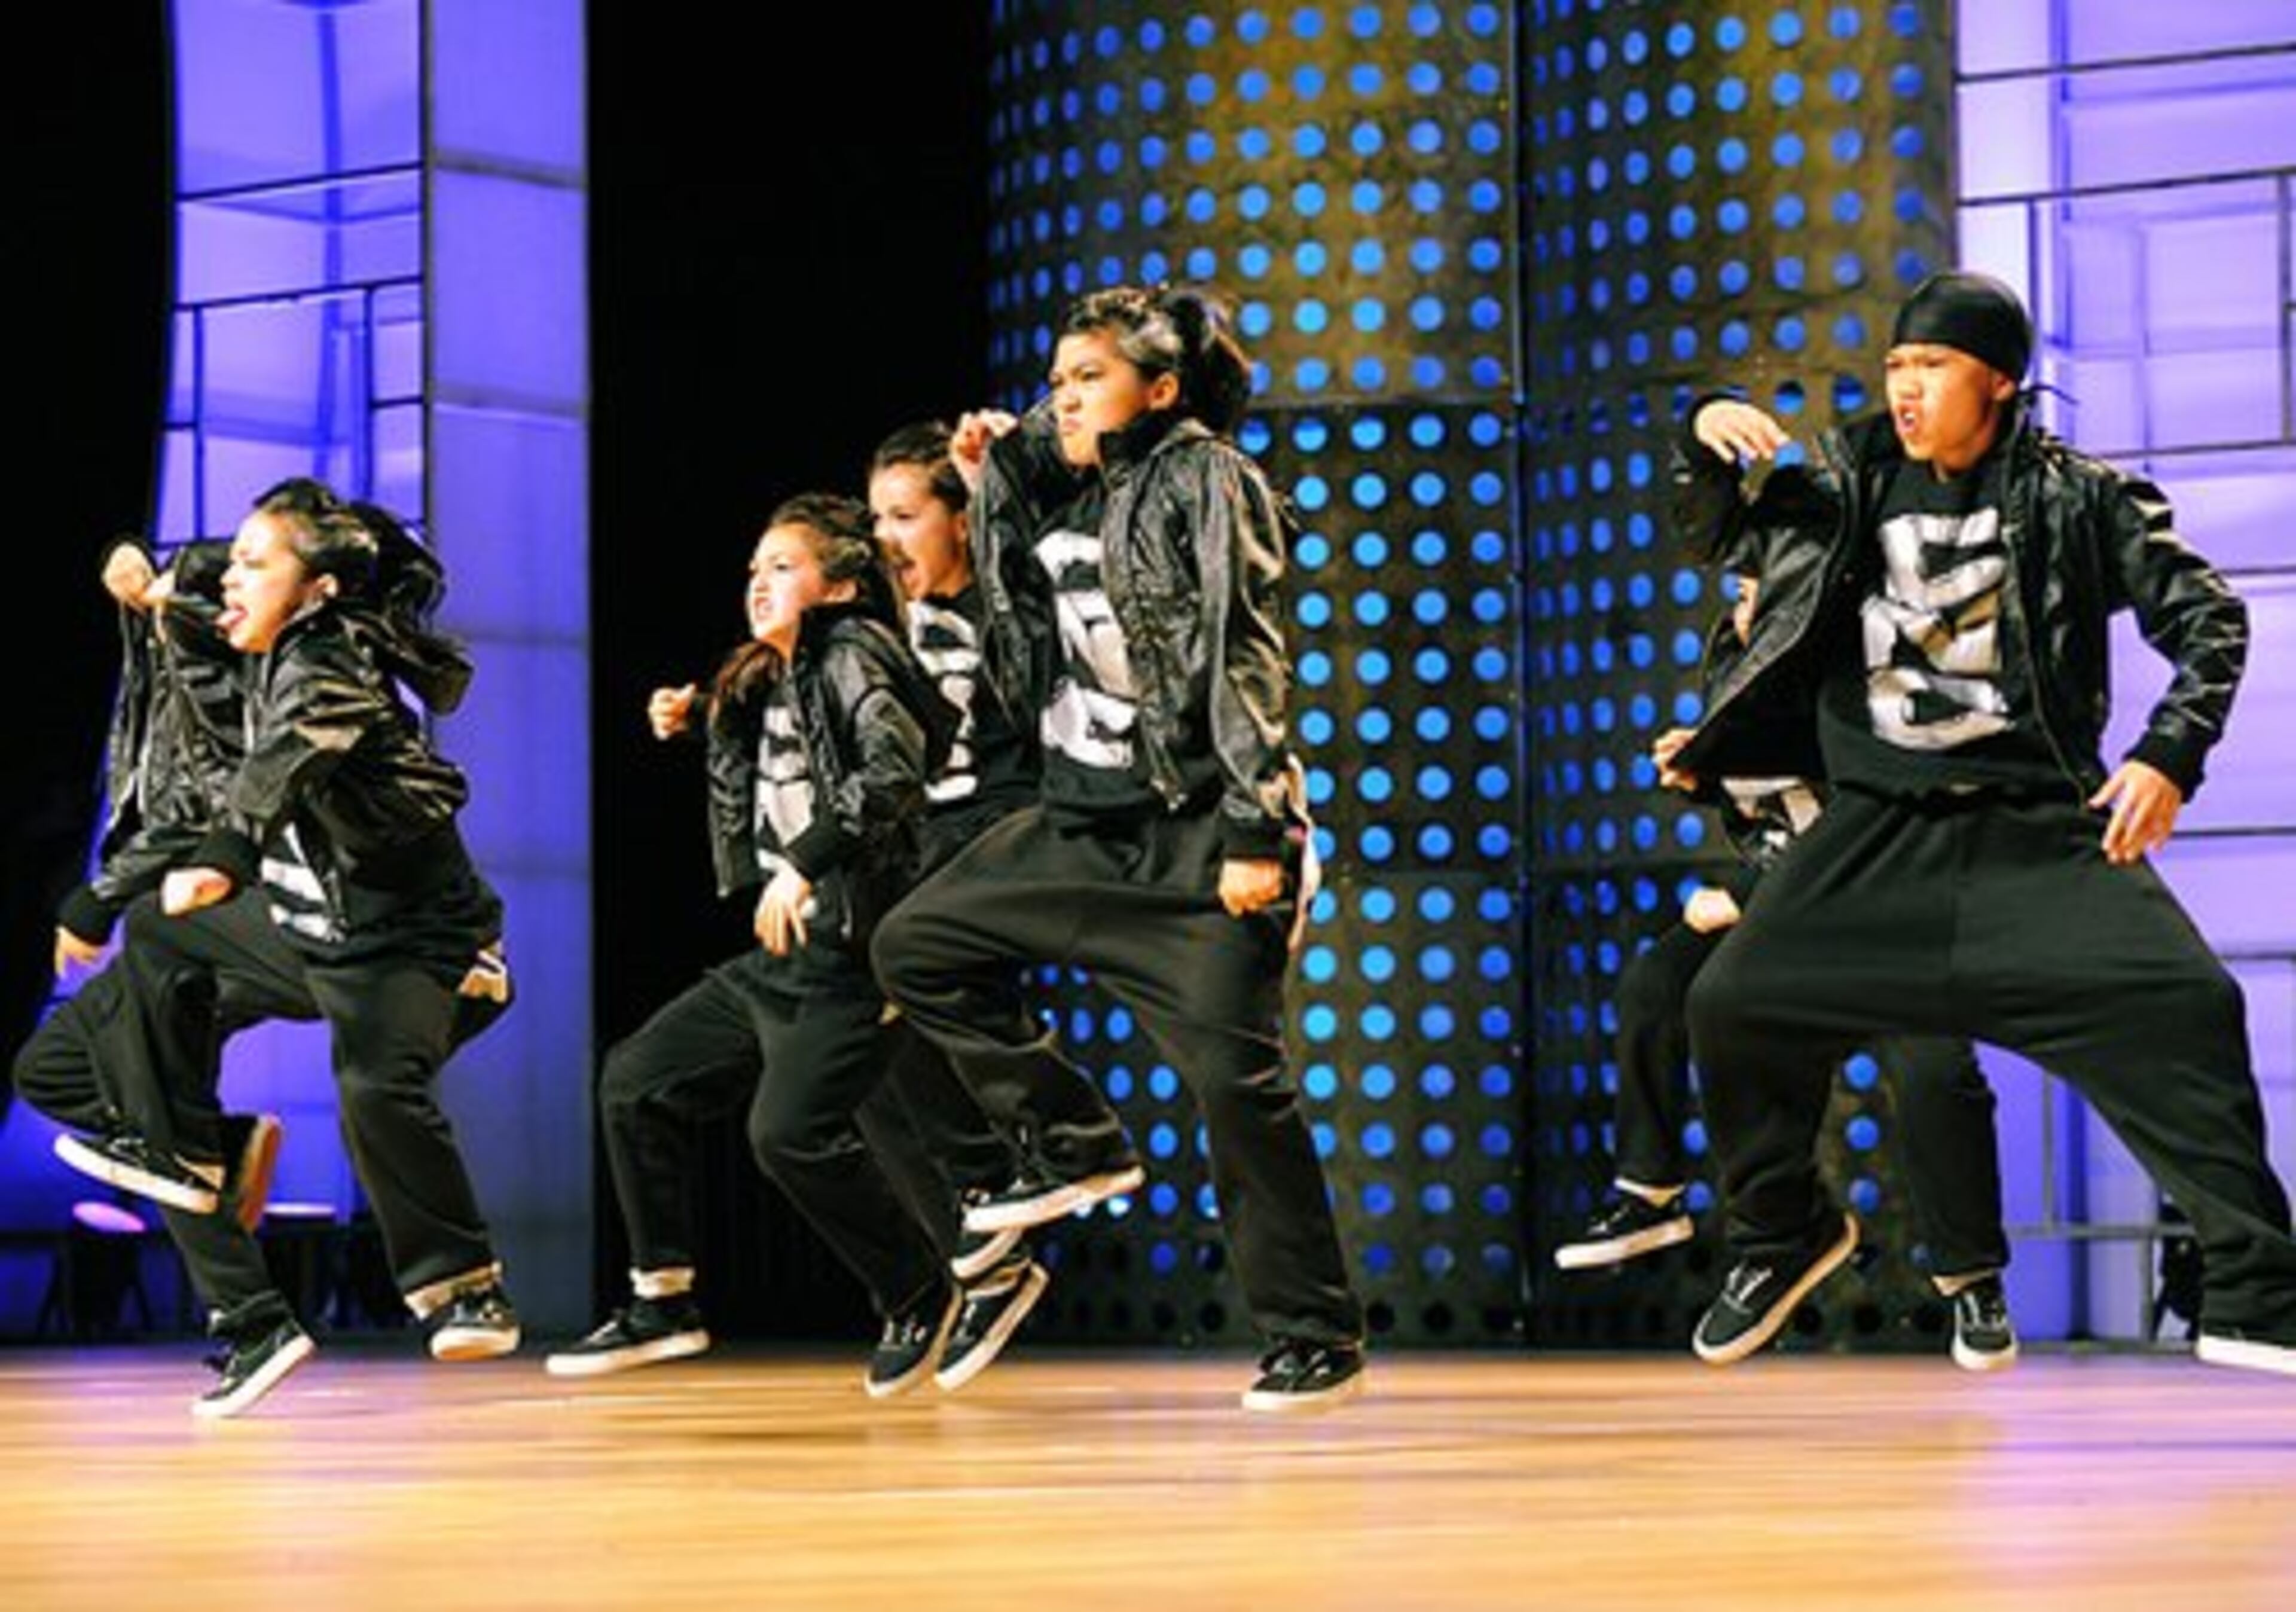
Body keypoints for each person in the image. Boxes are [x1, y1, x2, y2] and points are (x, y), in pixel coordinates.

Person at [1669, 268, 2296, 1376]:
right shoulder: (1844, 477)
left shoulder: (2080, 497)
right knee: (1730, 1005)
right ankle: (1786, 1233)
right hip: (1874, 831)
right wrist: (1704, 436)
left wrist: (2168, 757)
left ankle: (2254, 1288)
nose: (1905, 390)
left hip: (2035, 829)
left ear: (1999, 381)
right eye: (1896, 367)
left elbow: (2210, 618)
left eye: (1934, 368)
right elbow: (1720, 539)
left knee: (2191, 1007)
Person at [869, 284, 1367, 1412]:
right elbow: (1006, 611)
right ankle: (1076, 1141)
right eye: (1056, 381)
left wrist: (1254, 832)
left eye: (1088, 377)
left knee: (1237, 1088)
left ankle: (1314, 1333)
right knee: (914, 946)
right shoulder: (1054, 485)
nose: (1063, 399)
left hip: (1199, 837)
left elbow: (1243, 651)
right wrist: (997, 468)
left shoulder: (1208, 476)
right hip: (1078, 824)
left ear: (1163, 388)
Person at [51, 479, 522, 1411]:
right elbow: (204, 591)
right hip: (318, 930)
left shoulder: (324, 658)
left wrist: (226, 853)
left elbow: (292, 750)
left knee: (372, 1087)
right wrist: (142, 574)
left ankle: (469, 1287)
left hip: (414, 939)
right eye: (231, 566)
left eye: (255, 567)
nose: (229, 583)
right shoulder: (251, 636)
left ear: (318, 590)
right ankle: (194, 1163)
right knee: (151, 955)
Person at [546, 492, 989, 1398]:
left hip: (856, 951)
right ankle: (661, 1299)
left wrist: (805, 865)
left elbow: (890, 771)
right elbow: (780, 725)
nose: (758, 583)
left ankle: (916, 1289)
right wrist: (695, 707)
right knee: (637, 1080)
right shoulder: (770, 673)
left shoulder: (857, 649)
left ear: (837, 585)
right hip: (782, 960)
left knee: (787, 1135)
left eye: (781, 567)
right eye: (752, 569)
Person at [1555, 567, 2020, 1372]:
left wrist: (1750, 894)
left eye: (1765, 594)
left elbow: (1870, 813)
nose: (1746, 612)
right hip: (1782, 913)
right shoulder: (1734, 659)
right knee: (1661, 988)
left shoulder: (1868, 673)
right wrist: (1702, 774)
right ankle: (1657, 1191)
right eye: (1738, 595)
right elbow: (1772, 797)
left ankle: (1971, 1275)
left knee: (1931, 1069)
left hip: (1882, 913)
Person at [857, 420, 1051, 1389]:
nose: (887, 535)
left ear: (961, 523)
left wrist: (1006, 471)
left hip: (1000, 824)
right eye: (877, 517)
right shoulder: (875, 624)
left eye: (907, 514)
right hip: (912, 841)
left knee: (899, 963)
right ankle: (974, 1261)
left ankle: (997, 1175)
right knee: (842, 1034)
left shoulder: (1004, 601)